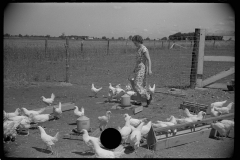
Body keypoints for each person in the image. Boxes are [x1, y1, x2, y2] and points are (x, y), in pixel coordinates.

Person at [131, 35, 153, 106]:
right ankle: (138, 101)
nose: (134, 44)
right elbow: (138, 60)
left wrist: (149, 69)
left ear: (138, 41)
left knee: (137, 84)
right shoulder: (138, 49)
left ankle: (148, 96)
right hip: (138, 68)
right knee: (139, 85)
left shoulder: (144, 49)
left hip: (142, 69)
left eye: (135, 43)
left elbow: (148, 60)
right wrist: (135, 68)